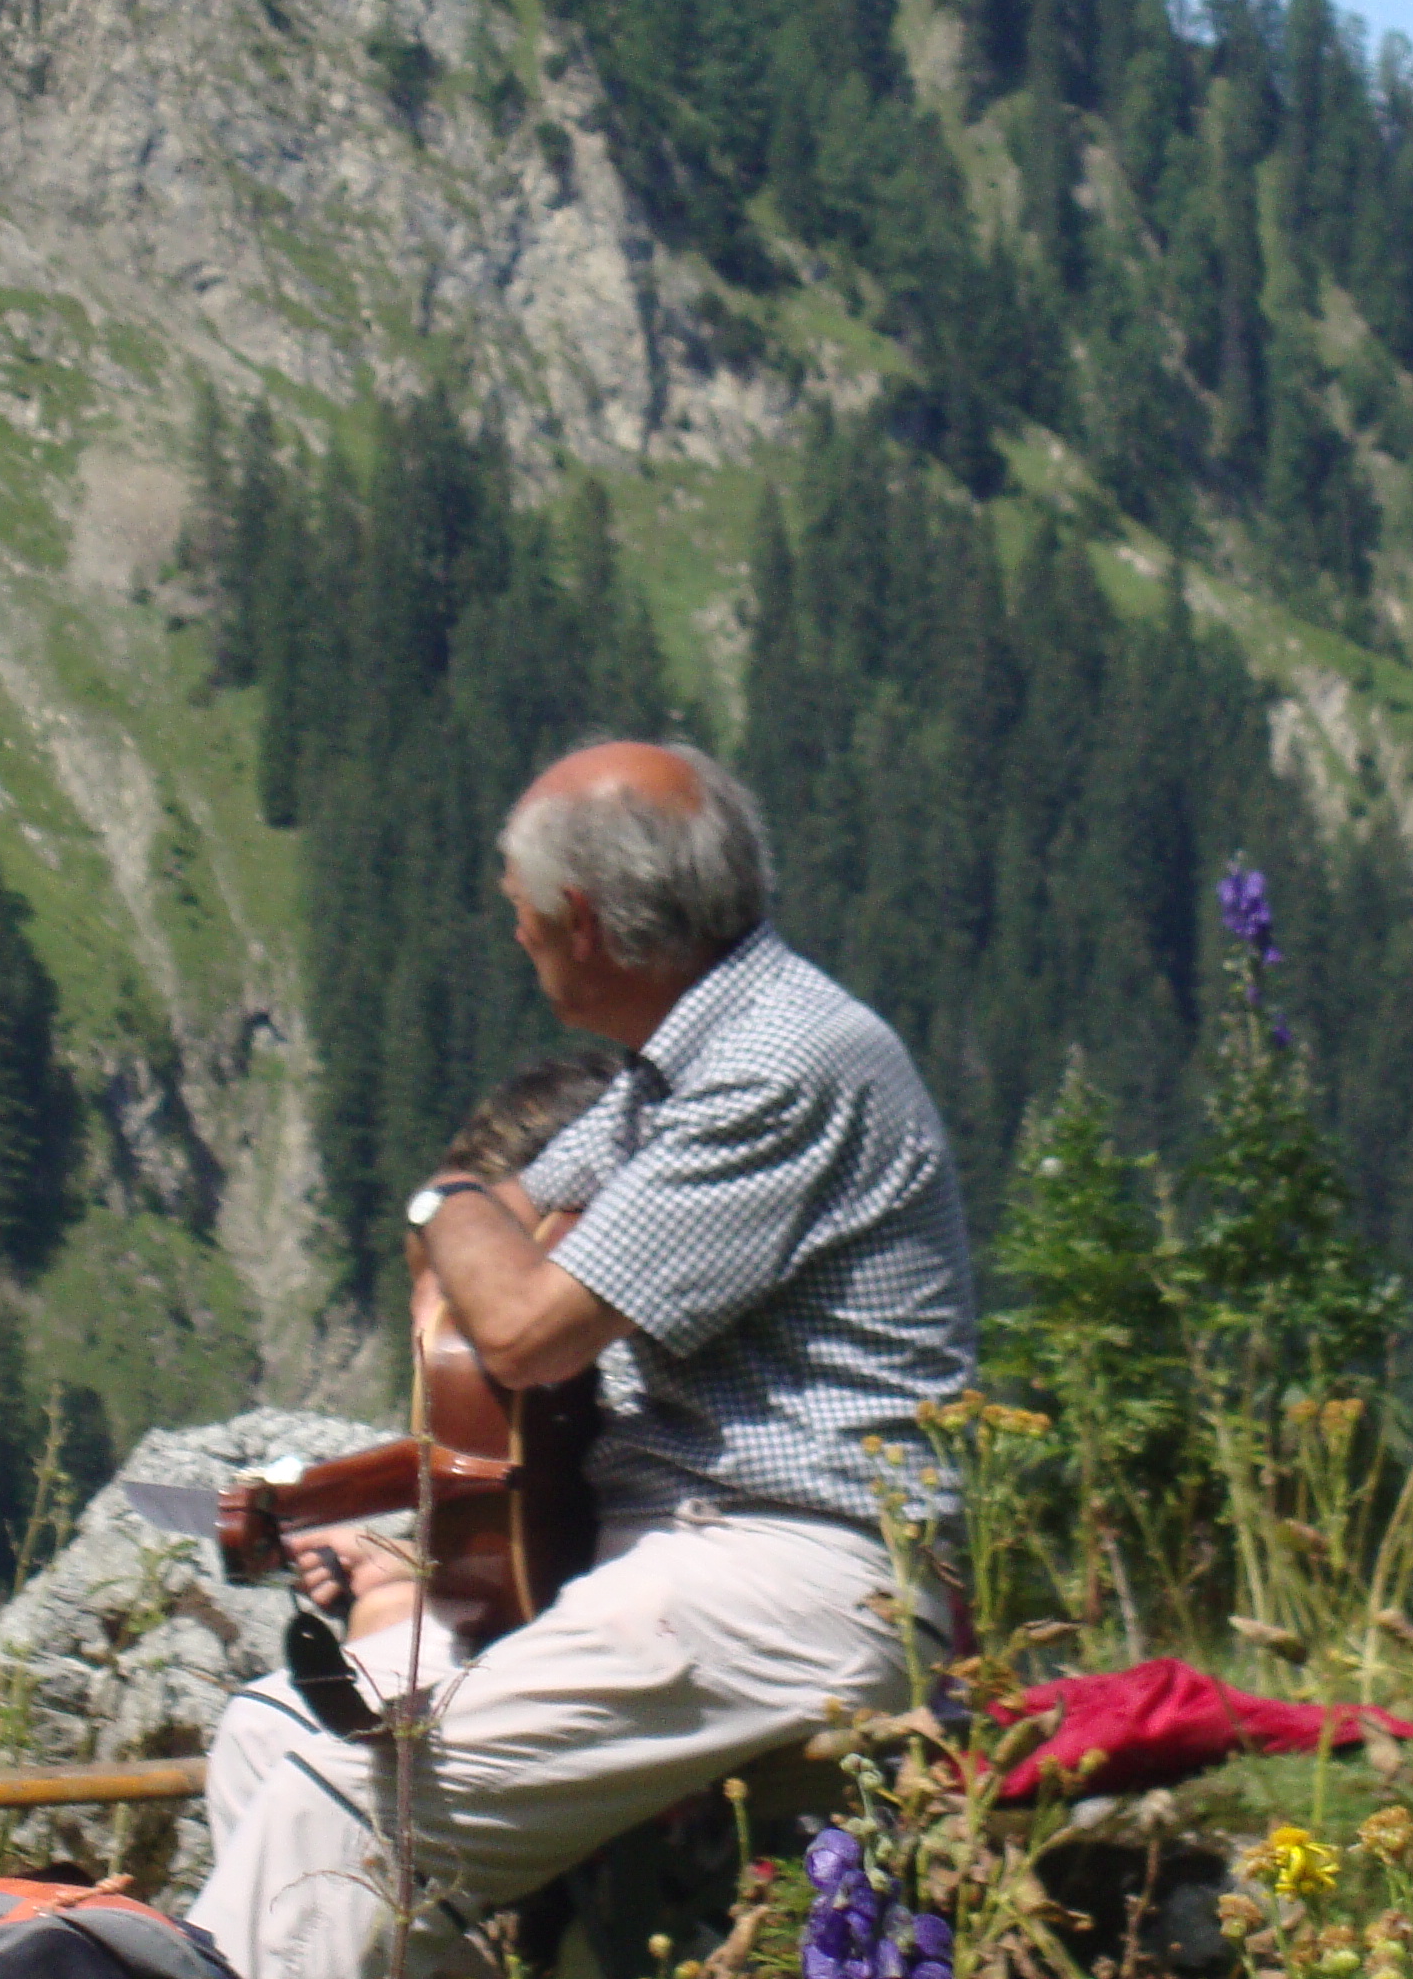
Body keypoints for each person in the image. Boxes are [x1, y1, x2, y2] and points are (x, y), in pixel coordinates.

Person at [194, 742, 973, 1979]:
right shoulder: (683, 1065)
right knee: (269, 1739)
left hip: (795, 1567)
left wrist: (438, 1198)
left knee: (334, 1809)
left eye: (520, 911)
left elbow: (516, 1321)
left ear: (583, 923)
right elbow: (489, 1254)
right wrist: (474, 1232)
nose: (513, 935)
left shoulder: (776, 1067)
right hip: (690, 1560)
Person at [201, 1047, 619, 1844]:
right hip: (533, 1640)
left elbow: (575, 1544)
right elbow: (524, 1522)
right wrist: (406, 1563)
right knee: (258, 1733)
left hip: (588, 1661)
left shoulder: (603, 1341)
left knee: (276, 1741)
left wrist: (399, 1592)